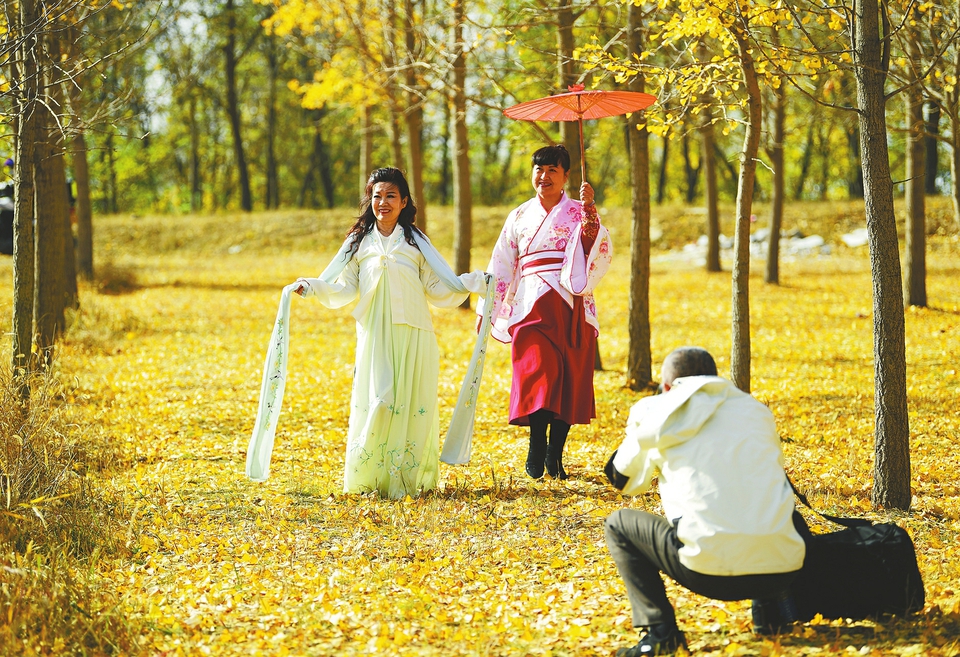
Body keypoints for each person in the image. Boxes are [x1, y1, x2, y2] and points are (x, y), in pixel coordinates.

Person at [292, 167, 487, 499]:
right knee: (380, 401)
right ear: (370, 199)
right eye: (377, 195)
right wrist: (311, 287)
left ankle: (403, 480)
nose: (382, 202)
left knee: (410, 404)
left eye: (390, 196)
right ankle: (367, 476)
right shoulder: (358, 242)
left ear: (404, 201)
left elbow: (438, 288)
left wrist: (471, 283)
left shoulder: (416, 241)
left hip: (414, 333)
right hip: (375, 333)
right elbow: (343, 288)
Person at [603, 347, 807, 656]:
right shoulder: (754, 409)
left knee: (618, 524)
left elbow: (624, 481)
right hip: (782, 569)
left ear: (667, 386)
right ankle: (773, 613)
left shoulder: (657, 409)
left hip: (708, 573)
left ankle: (659, 633)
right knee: (764, 502)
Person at [477, 144, 612, 480]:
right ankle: (537, 443)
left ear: (566, 175)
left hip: (570, 301)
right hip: (531, 304)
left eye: (553, 169)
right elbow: (502, 263)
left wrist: (590, 210)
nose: (544, 176)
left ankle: (556, 454)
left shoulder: (579, 211)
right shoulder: (519, 216)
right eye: (539, 169)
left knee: (569, 377)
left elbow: (594, 247)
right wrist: (488, 306)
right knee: (539, 373)